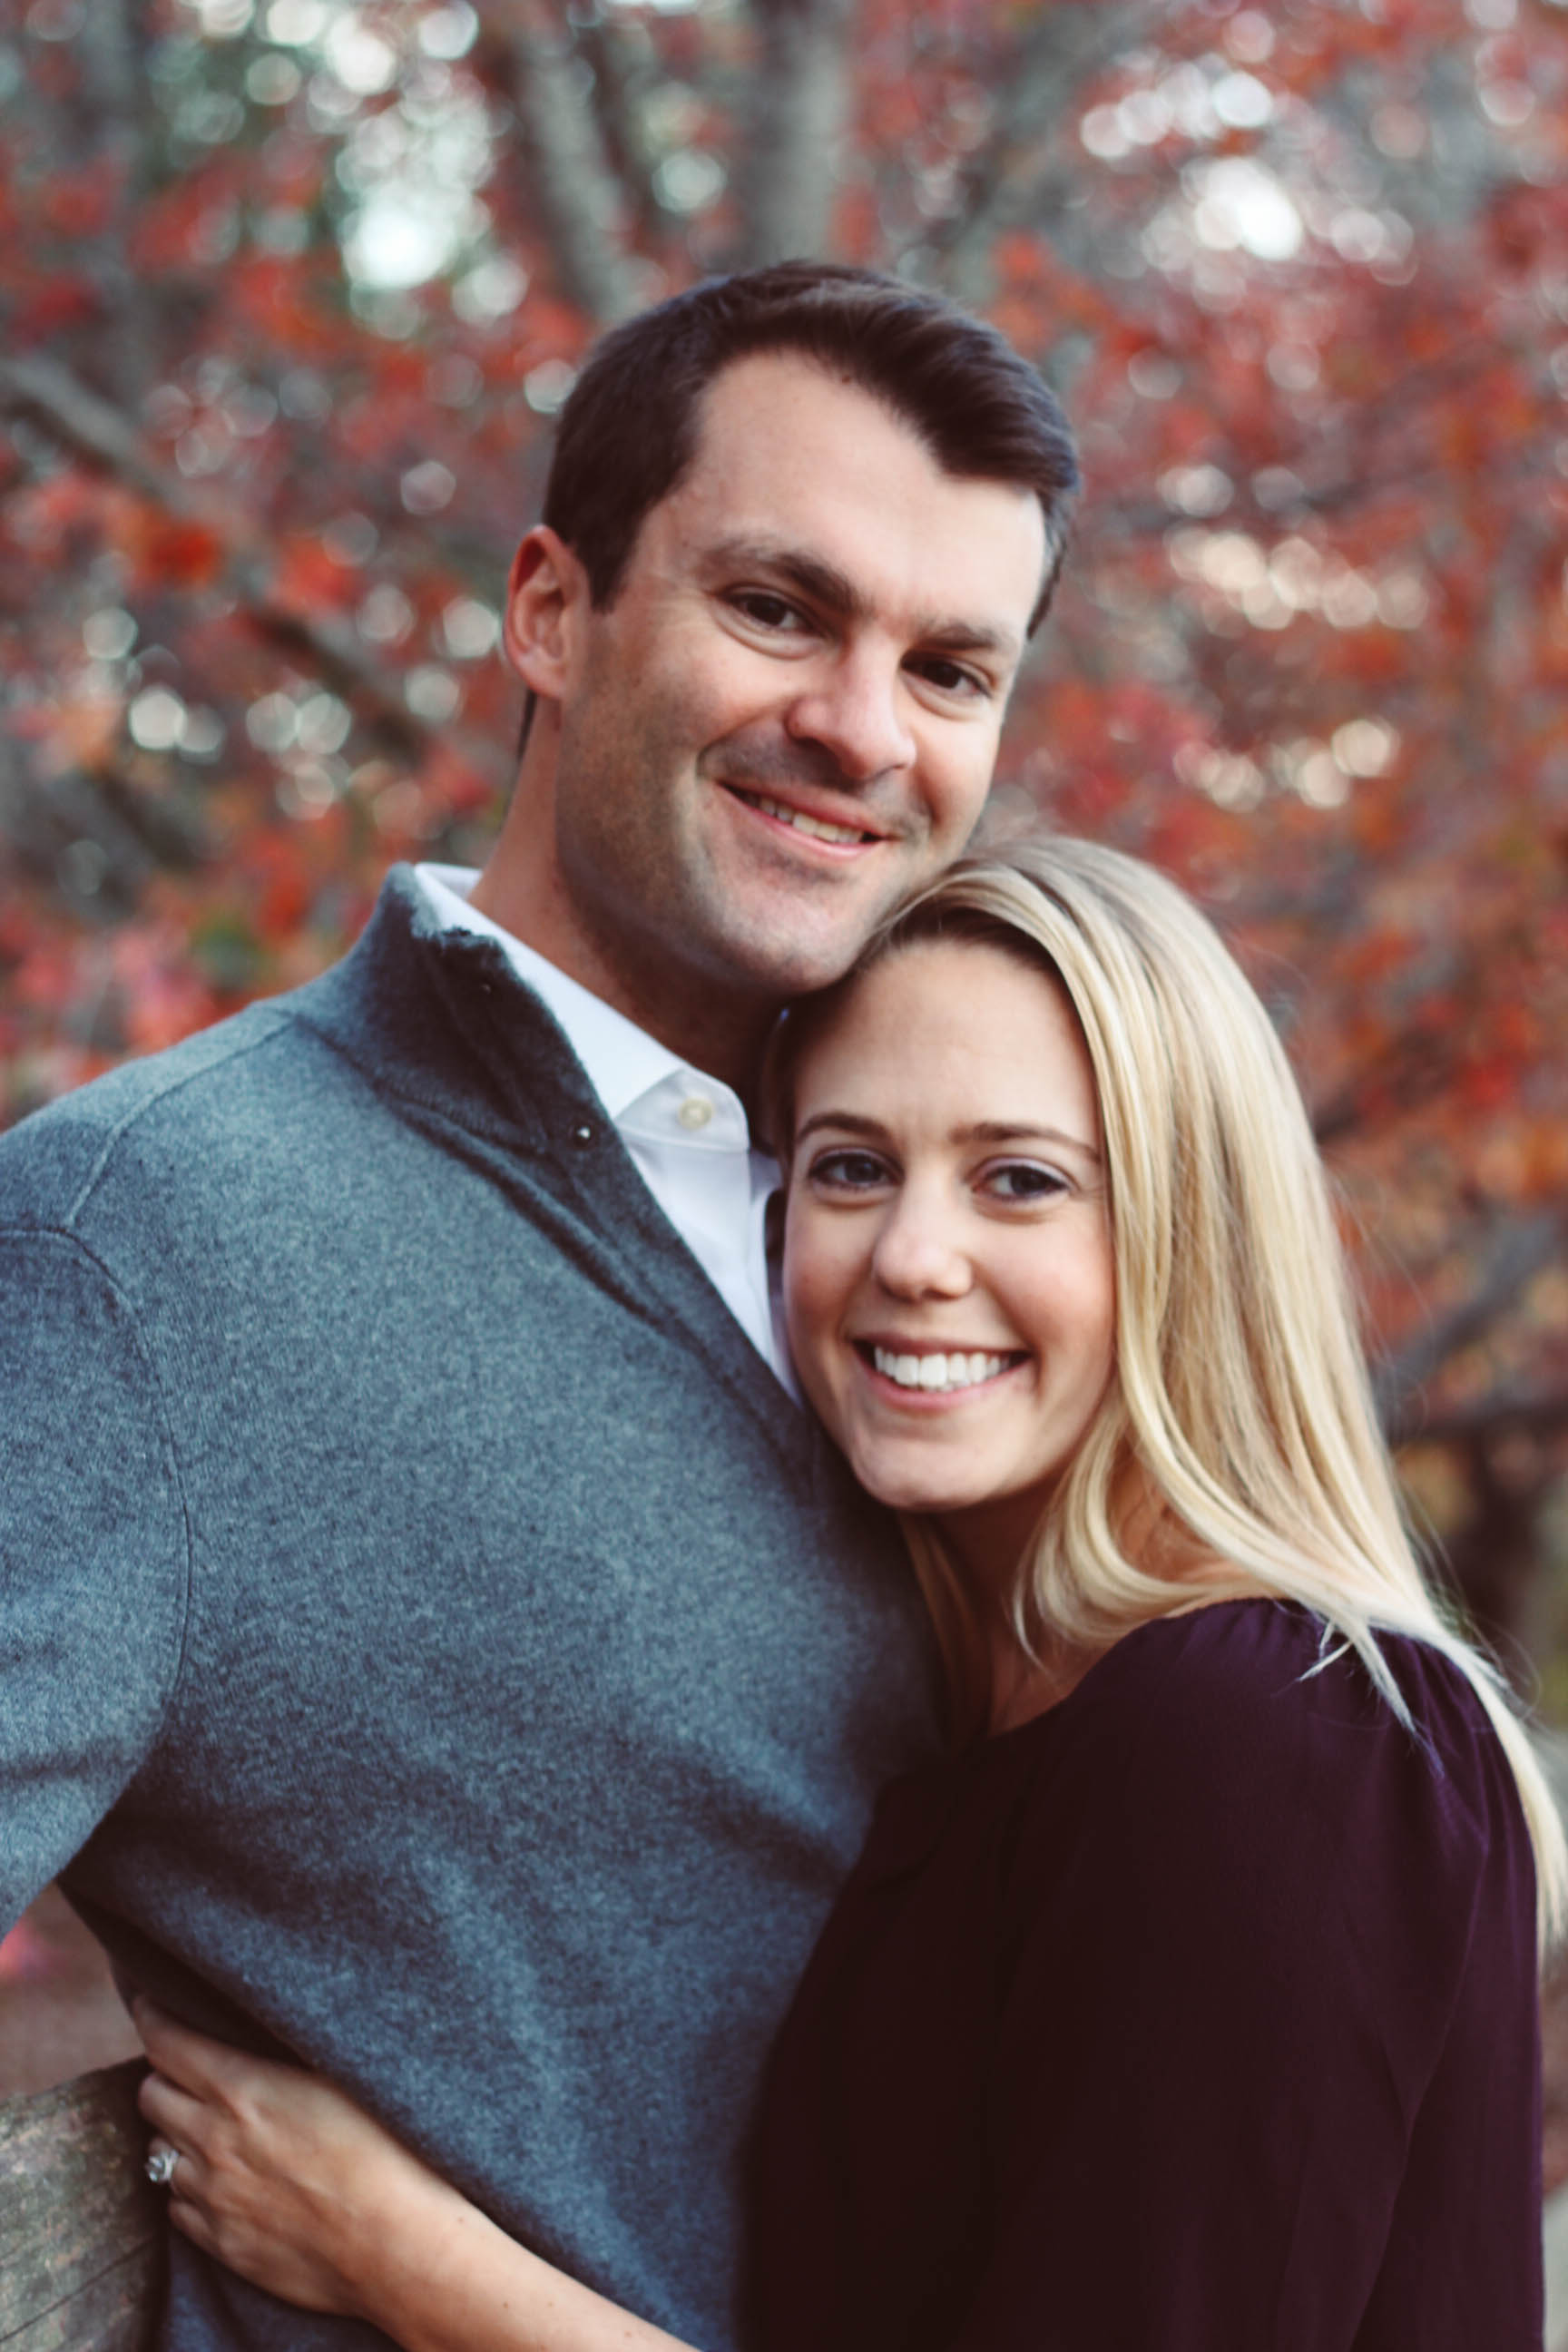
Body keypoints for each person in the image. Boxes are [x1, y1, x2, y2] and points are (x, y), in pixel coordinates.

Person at [0, 262, 1078, 2352]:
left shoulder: (947, 1250)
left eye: (952, 668)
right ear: (551, 613)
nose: (864, 729)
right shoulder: (145, 1248)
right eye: (778, 607)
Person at [136, 836, 1563, 2351]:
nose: (914, 1257)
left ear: (1190, 1239)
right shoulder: (1008, 1728)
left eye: (1020, 1180)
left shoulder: (1269, 1735)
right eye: (852, 1168)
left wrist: (405, 2260)